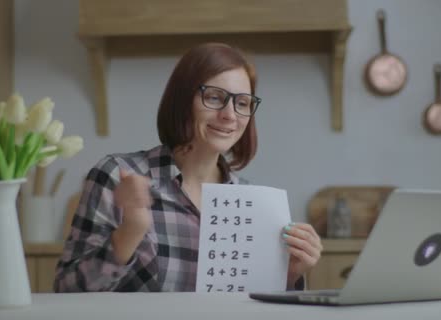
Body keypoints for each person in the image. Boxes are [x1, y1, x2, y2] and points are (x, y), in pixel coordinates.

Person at [54, 42, 322, 292]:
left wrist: (288, 274)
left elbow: (250, 306)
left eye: (242, 103)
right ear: (182, 100)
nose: (229, 115)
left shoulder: (250, 201)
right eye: (215, 97)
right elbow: (66, 290)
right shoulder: (117, 174)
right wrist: (129, 233)